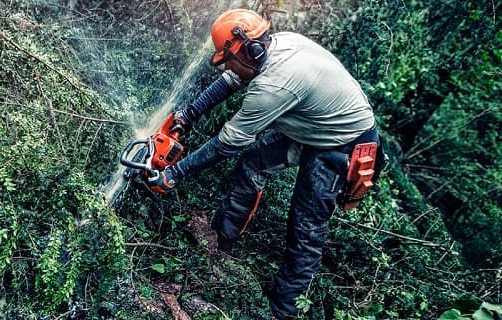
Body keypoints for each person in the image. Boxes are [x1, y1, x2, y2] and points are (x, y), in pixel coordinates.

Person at [147, 8, 383, 319]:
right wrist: (186, 118)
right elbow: (230, 79)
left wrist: (174, 174)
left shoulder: (274, 85)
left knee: (306, 228)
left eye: (227, 58)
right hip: (316, 124)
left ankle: (282, 313)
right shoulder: (274, 46)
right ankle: (220, 241)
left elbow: (228, 142)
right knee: (252, 164)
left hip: (343, 145)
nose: (227, 66)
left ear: (250, 49)